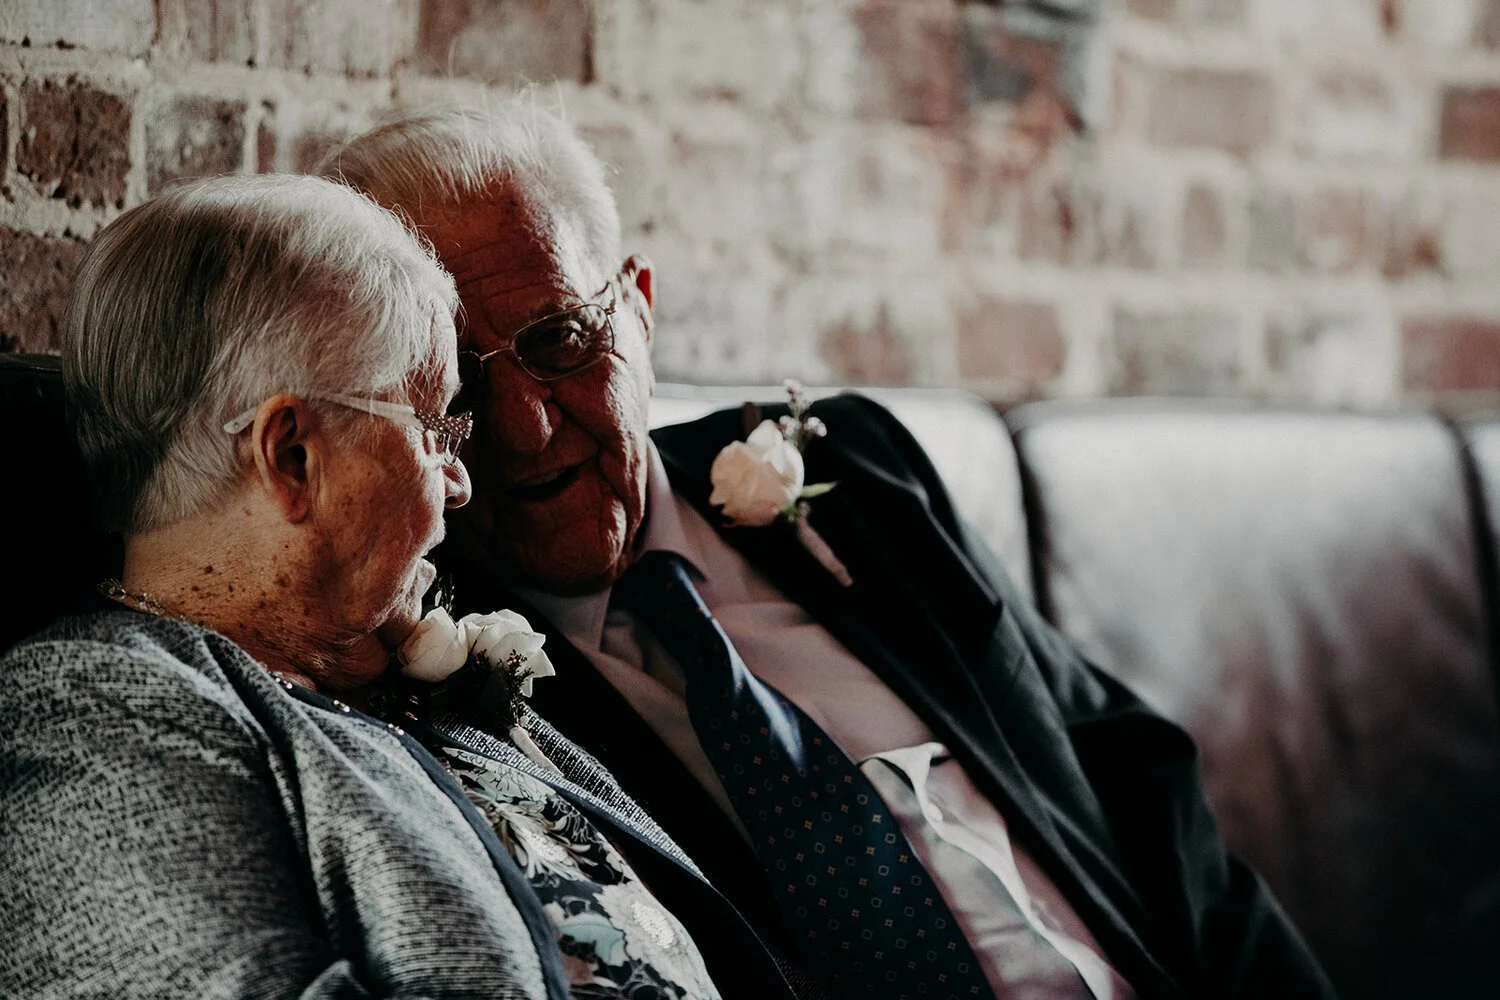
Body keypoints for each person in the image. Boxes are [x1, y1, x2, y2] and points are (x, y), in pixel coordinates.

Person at [325, 103, 1338, 1000]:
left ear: (638, 304)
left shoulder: (856, 470)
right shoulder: (431, 665)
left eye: (557, 341)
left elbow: (1129, 772)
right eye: (458, 383)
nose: (527, 430)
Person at [0, 174, 794, 1000]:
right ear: (293, 457)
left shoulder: (404, 680)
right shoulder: (99, 722)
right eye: (435, 426)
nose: (459, 481)